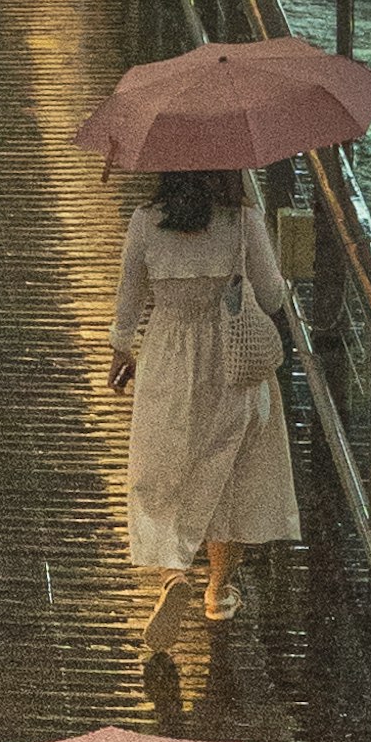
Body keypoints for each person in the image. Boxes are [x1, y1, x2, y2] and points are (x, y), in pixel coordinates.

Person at [108, 163, 297, 640]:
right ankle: (218, 589)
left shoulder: (145, 221)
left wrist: (121, 348)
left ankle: (172, 570)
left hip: (168, 354)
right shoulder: (241, 221)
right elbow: (273, 297)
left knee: (166, 463)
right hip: (231, 356)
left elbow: (129, 298)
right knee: (230, 469)